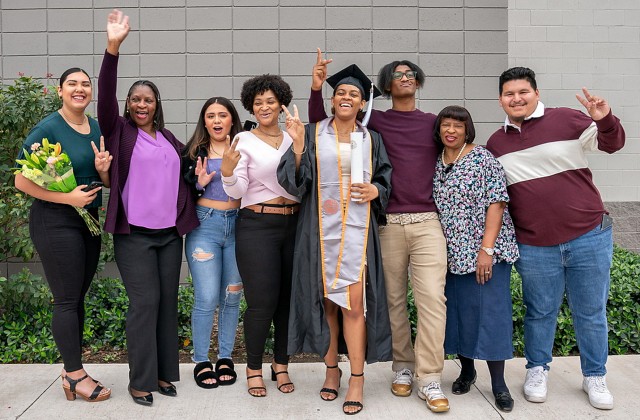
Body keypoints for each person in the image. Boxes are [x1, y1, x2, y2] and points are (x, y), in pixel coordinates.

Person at [308, 49, 449, 412]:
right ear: (385, 87)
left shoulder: (434, 122)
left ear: (417, 81)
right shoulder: (375, 125)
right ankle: (402, 368)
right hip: (384, 224)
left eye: (410, 73)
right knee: (391, 301)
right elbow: (319, 134)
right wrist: (316, 89)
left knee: (432, 299)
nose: (404, 77)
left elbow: (454, 149)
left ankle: (430, 377)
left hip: (424, 219)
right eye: (397, 73)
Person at [486, 67, 625, 410]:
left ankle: (595, 376)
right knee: (539, 312)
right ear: (500, 99)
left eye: (523, 92)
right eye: (509, 94)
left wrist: (604, 119)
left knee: (590, 313)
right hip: (534, 244)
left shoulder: (567, 119)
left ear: (535, 92)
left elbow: (612, 144)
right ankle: (537, 369)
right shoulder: (496, 143)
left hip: (588, 235)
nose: (516, 99)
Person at [278, 64, 393, 415]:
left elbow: (386, 179)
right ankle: (332, 371)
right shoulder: (312, 133)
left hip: (356, 234)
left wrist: (376, 188)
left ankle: (356, 378)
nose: (346, 97)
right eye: (341, 92)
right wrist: (297, 147)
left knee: (354, 305)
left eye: (353, 94)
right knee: (327, 303)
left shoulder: (370, 138)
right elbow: (295, 183)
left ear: (362, 104)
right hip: (319, 232)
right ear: (332, 99)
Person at [97, 9, 198, 406]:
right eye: (136, 100)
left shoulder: (170, 138)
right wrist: (113, 48)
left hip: (169, 236)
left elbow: (182, 178)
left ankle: (162, 373)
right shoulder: (119, 130)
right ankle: (139, 380)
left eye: (148, 100)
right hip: (134, 235)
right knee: (144, 303)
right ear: (128, 105)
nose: (142, 105)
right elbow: (104, 96)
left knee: (167, 303)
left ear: (157, 105)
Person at [14, 68, 111, 403]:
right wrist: (67, 198)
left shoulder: (96, 127)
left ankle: (74, 369)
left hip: (89, 220)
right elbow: (21, 181)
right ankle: (73, 375)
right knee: (67, 299)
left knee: (76, 296)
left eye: (85, 84)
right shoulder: (47, 129)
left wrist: (103, 172)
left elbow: (107, 179)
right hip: (55, 220)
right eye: (73, 84)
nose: (80, 89)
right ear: (60, 91)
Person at [432, 105, 519, 413]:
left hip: (485, 253)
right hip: (452, 255)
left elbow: (497, 202)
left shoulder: (482, 158)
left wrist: (487, 250)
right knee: (459, 316)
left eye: (457, 125)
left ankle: (499, 384)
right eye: (446, 125)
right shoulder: (438, 161)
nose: (451, 130)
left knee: (491, 317)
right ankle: (466, 371)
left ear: (467, 129)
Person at [221, 74, 299, 397]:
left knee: (286, 303)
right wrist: (227, 171)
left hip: (293, 224)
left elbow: (303, 180)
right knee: (262, 303)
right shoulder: (243, 140)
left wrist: (301, 145)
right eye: (258, 103)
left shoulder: (294, 136)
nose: (264, 107)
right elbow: (238, 190)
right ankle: (253, 368)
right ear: (251, 108)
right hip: (257, 224)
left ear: (281, 104)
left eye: (270, 101)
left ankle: (280, 365)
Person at [182, 97, 243, 389]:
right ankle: (201, 359)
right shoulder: (194, 152)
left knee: (232, 297)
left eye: (222, 115)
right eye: (210, 116)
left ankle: (225, 357)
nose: (217, 120)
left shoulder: (244, 147)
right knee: (206, 297)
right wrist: (198, 183)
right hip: (205, 225)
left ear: (232, 119)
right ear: (204, 121)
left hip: (239, 227)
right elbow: (182, 190)